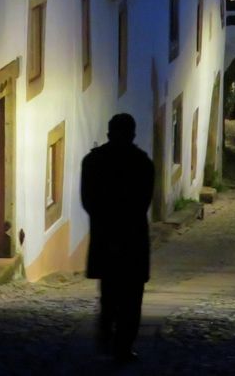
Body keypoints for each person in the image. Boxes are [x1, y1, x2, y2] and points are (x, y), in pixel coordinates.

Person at [80, 112, 155, 363]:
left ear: (109, 133)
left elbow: (88, 201)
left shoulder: (92, 162)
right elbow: (144, 201)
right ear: (133, 134)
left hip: (105, 237)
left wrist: (104, 221)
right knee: (132, 298)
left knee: (110, 293)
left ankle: (106, 335)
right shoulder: (143, 163)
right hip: (133, 239)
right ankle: (123, 346)